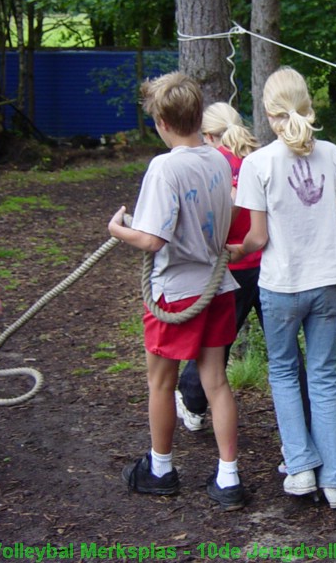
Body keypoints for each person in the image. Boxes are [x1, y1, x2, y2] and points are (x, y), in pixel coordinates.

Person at [108, 72, 244, 511]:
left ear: (162, 122)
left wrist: (118, 230)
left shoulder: (165, 166)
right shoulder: (219, 159)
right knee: (217, 382)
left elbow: (152, 240)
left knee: (160, 383)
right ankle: (228, 477)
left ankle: (161, 470)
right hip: (217, 286)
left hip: (176, 292)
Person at [233, 66, 336, 509]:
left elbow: (258, 239)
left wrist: (233, 252)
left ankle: (302, 468)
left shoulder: (257, 163)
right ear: (308, 105)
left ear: (268, 115)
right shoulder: (331, 153)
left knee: (285, 374)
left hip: (281, 286)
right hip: (326, 283)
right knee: (324, 378)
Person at [175, 102, 312, 440]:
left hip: (232, 266)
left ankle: (193, 404)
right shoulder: (263, 156)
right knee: (286, 348)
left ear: (208, 135)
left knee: (215, 343)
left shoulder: (212, 163)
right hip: (268, 265)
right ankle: (309, 419)